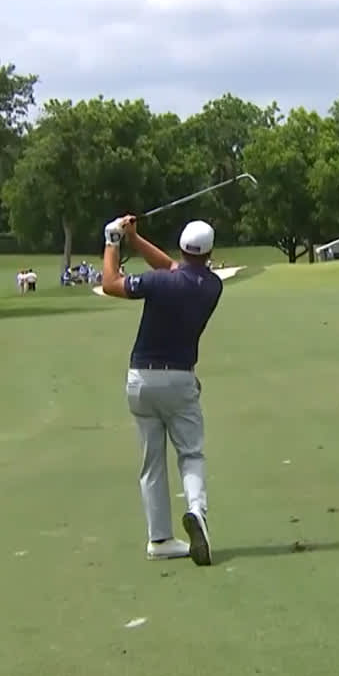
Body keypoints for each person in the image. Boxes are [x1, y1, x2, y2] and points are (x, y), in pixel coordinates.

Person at [100, 215, 224, 565]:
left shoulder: (158, 283)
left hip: (141, 380)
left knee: (151, 463)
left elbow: (110, 283)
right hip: (180, 380)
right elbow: (173, 267)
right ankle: (196, 512)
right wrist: (135, 240)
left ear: (183, 247)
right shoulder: (212, 286)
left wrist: (113, 239)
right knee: (191, 453)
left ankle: (160, 540)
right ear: (209, 252)